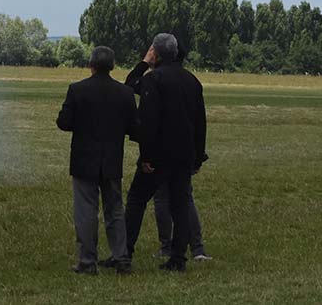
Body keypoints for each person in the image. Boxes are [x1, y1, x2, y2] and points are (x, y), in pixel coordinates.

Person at [122, 33, 208, 272]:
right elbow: (200, 122)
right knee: (180, 205)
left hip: (159, 155)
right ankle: (178, 259)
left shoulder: (153, 79)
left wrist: (146, 156)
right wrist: (198, 156)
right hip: (184, 154)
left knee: (137, 200)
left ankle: (125, 252)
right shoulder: (192, 81)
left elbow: (147, 119)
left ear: (156, 54)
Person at [56, 46, 138, 275]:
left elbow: (64, 122)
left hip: (84, 158)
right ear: (112, 65)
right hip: (112, 158)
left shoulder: (77, 90)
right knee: (115, 210)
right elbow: (134, 126)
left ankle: (87, 261)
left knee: (86, 211)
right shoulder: (125, 93)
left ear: (91, 64)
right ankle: (121, 258)